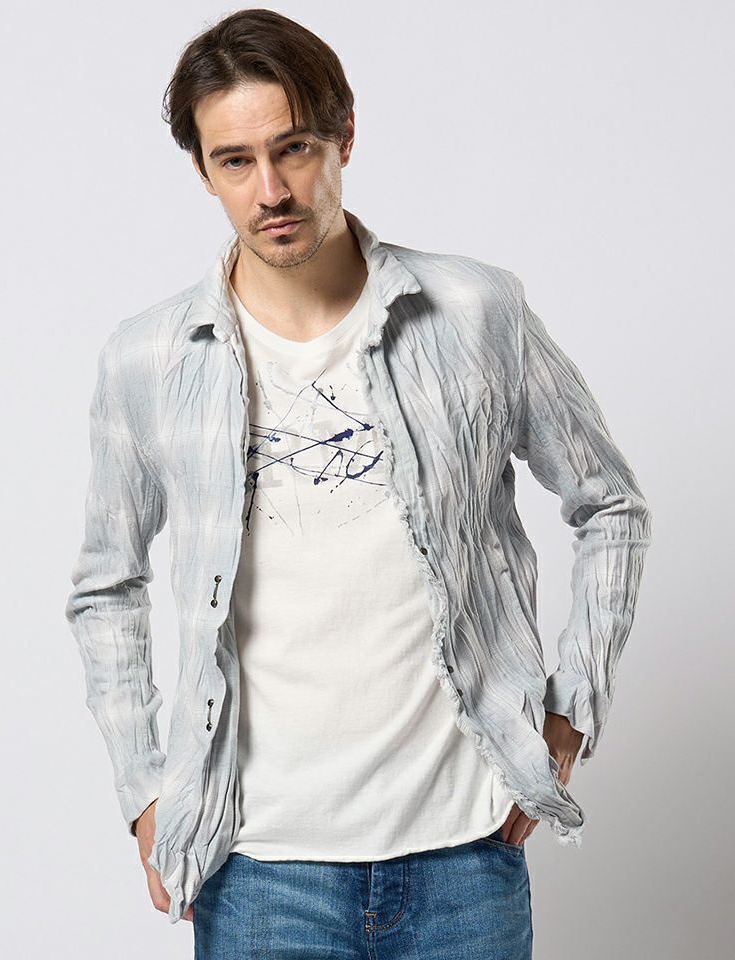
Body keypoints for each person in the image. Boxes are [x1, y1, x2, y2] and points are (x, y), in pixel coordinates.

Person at [64, 8, 652, 958]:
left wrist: (569, 709)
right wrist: (144, 788)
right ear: (204, 172)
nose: (270, 190)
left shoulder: (474, 312)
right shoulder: (150, 358)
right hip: (258, 869)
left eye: (293, 148)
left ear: (345, 135)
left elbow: (610, 504)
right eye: (235, 161)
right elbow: (106, 584)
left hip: (465, 855)